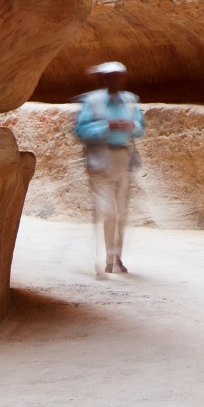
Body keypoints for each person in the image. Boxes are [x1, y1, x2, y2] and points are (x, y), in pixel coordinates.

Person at [73, 61, 144, 274]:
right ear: (104, 79)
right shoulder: (92, 101)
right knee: (109, 213)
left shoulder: (131, 100)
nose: (115, 80)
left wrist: (131, 125)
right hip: (100, 162)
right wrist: (107, 126)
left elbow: (140, 128)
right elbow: (80, 130)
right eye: (110, 76)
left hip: (122, 160)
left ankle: (116, 258)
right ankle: (107, 258)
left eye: (118, 76)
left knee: (121, 213)